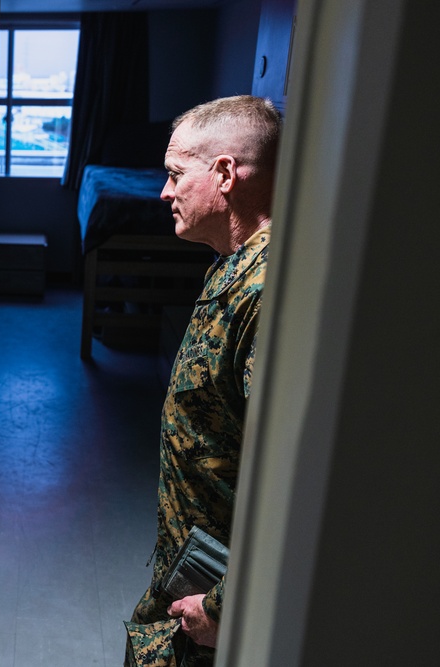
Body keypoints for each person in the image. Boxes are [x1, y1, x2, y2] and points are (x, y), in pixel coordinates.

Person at [124, 95, 282, 667]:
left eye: (174, 175)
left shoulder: (270, 294)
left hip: (216, 599)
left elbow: (290, 481)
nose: (163, 193)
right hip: (191, 564)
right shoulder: (233, 263)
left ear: (224, 174)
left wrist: (224, 604)